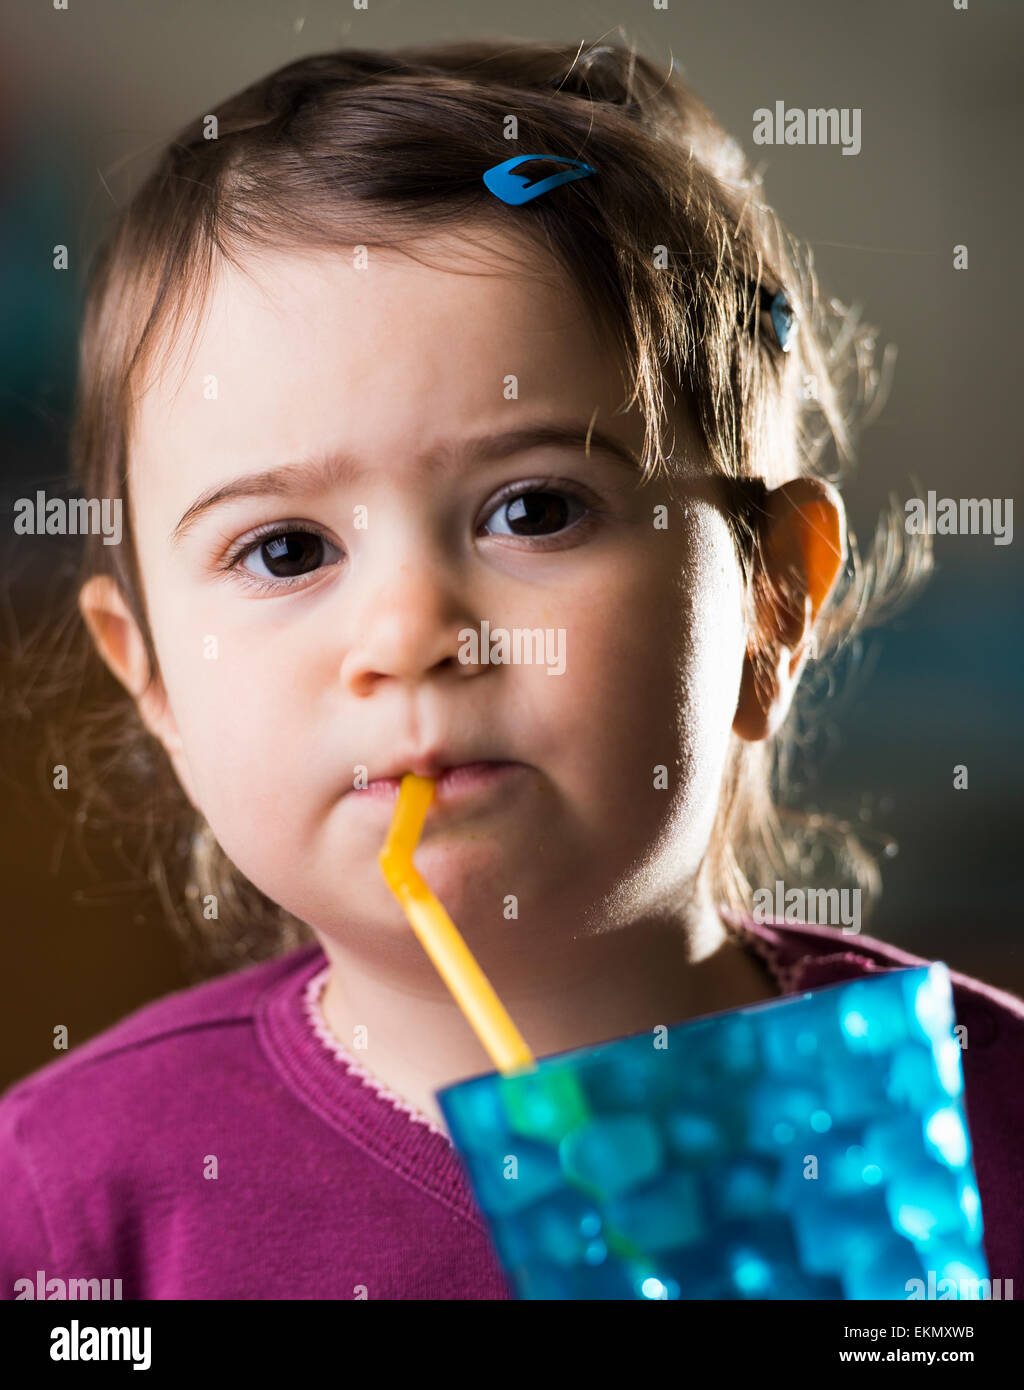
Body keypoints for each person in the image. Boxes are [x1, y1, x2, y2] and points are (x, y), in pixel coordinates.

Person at [2, 37, 1020, 1301]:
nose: (410, 632)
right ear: (150, 680)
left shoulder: (988, 1128)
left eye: (533, 511)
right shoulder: (70, 1206)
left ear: (768, 602)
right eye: (285, 548)